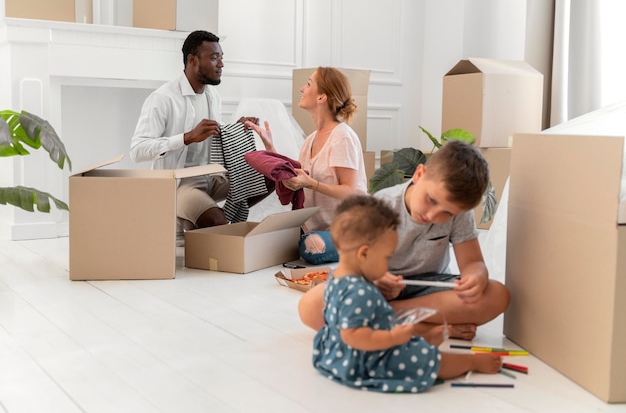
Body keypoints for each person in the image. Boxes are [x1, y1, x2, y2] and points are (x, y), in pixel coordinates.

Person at [299, 140, 511, 340]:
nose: (433, 216)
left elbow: (473, 263)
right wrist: (375, 278)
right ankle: (425, 327)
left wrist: (476, 277)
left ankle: (383, 318)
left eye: (447, 213)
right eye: (431, 200)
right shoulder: (382, 205)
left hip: (427, 289)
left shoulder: (460, 215)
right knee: (309, 306)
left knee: (497, 295)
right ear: (419, 174)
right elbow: (351, 265)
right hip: (375, 289)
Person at [313, 194, 502, 393]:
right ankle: (471, 363)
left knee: (408, 339)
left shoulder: (337, 281)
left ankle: (425, 338)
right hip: (364, 360)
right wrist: (393, 337)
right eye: (386, 257)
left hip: (336, 352)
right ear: (364, 254)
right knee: (428, 360)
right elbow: (354, 336)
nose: (388, 265)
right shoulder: (360, 293)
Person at [130, 30, 261, 238]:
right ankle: (206, 218)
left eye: (222, 58)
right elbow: (137, 151)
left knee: (270, 177)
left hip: (212, 178)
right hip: (179, 184)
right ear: (192, 60)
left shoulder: (213, 95)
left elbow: (212, 137)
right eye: (214, 57)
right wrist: (187, 137)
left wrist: (234, 128)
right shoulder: (162, 98)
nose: (221, 65)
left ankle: (207, 220)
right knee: (218, 221)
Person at [246, 67, 368, 264]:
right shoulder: (310, 140)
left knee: (310, 247)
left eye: (309, 84)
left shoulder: (342, 137)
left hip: (347, 228)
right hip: (318, 229)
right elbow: (296, 176)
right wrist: (270, 147)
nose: (302, 89)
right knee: (268, 240)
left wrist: (310, 183)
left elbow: (349, 191)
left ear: (322, 98)